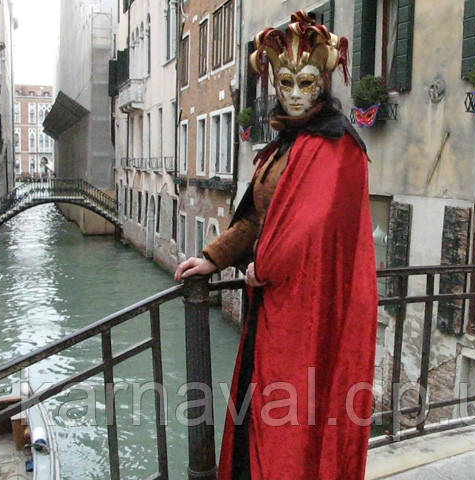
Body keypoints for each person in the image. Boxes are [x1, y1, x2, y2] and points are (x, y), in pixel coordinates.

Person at [174, 11, 377, 480]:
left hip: (310, 310)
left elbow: (309, 227)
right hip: (274, 309)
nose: (296, 94)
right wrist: (211, 259)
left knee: (293, 419)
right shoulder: (283, 146)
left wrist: (261, 267)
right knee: (263, 413)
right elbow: (255, 219)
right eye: (286, 83)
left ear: (322, 85)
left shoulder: (337, 147)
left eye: (306, 83)